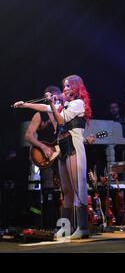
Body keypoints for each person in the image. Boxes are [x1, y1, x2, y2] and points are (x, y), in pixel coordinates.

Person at [14, 75, 93, 239]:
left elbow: (61, 119)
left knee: (78, 187)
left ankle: (83, 227)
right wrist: (25, 104)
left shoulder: (78, 103)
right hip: (64, 148)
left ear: (77, 88)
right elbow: (44, 109)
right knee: (66, 190)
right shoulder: (64, 104)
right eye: (64, 86)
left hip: (74, 147)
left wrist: (52, 103)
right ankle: (65, 227)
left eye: (69, 86)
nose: (65, 89)